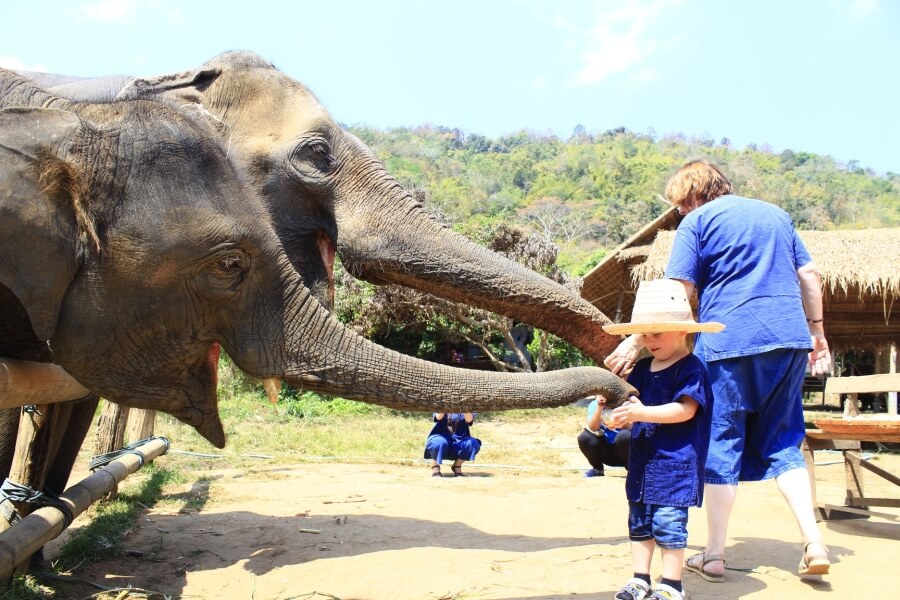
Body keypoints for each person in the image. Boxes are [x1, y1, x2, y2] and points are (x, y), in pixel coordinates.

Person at [605, 159, 833, 584]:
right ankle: (814, 542)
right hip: (789, 340)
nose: (679, 213)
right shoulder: (777, 216)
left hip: (729, 341)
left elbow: (680, 293)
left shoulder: (697, 223)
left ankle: (713, 556)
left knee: (721, 444)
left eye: (679, 205)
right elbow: (809, 274)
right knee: (785, 441)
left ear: (692, 195)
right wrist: (817, 332)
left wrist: (636, 341)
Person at [604, 279, 721, 600]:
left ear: (683, 331)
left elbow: (685, 410)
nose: (649, 341)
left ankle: (671, 585)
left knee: (669, 526)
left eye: (657, 333)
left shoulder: (691, 368)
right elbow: (628, 402)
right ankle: (640, 579)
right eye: (645, 334)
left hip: (676, 466)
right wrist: (615, 409)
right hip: (642, 464)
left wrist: (641, 414)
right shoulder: (642, 368)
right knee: (639, 523)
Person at [577, 396, 631, 477]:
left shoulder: (626, 403)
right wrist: (599, 407)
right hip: (605, 451)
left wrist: (618, 420)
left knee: (624, 436)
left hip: (624, 451)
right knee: (584, 437)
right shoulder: (594, 404)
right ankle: (597, 469)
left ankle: (632, 470)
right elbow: (593, 428)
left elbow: (631, 427)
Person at [424, 412, 481, 477]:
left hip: (460, 437)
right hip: (441, 435)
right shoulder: (439, 402)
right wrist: (446, 405)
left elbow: (469, 420)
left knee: (472, 443)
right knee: (438, 443)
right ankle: (435, 465)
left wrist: (464, 407)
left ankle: (457, 465)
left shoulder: (468, 404)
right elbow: (438, 417)